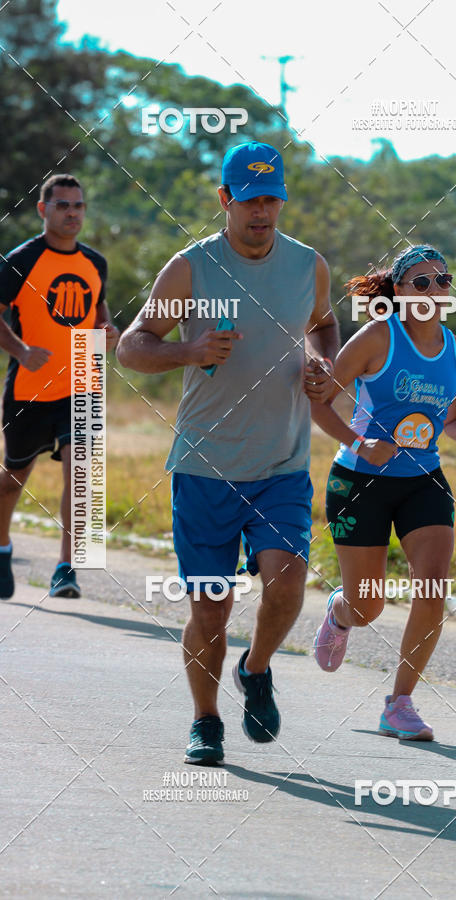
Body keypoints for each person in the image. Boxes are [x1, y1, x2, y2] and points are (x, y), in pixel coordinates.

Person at [117, 141, 339, 765]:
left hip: (281, 462)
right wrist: (188, 352)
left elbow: (322, 324)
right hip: (205, 465)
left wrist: (324, 361)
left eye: (272, 199)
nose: (262, 212)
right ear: (225, 200)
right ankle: (206, 721)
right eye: (250, 200)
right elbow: (132, 346)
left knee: (289, 583)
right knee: (209, 608)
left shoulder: (308, 266)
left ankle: (258, 668)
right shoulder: (190, 269)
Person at [311, 245, 456, 741]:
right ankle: (340, 614)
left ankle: (400, 703)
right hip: (359, 482)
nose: (435, 291)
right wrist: (358, 442)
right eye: (422, 282)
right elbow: (320, 403)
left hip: (424, 482)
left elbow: (451, 422)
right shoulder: (376, 338)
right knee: (368, 607)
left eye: (442, 281)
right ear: (401, 291)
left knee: (433, 588)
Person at [0, 174, 120, 600]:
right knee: (14, 477)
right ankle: (2, 546)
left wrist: (109, 333)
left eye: (78, 206)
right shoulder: (20, 260)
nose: (72, 213)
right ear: (43, 210)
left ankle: (66, 567)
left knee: (82, 472)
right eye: (63, 205)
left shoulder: (94, 262)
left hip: (83, 378)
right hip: (31, 385)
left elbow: (100, 313)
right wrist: (19, 349)